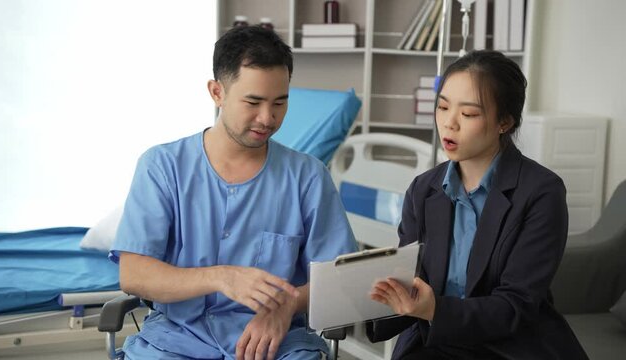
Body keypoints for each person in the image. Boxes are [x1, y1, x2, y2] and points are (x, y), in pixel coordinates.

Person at [109, 25, 357, 360]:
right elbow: (134, 274)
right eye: (253, 102)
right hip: (176, 341)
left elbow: (340, 275)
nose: (267, 118)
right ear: (217, 92)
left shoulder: (308, 177)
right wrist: (222, 278)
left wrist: (287, 307)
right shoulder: (162, 167)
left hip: (277, 345)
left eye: (280, 103)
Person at [367, 50, 588, 359]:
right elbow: (410, 278)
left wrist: (435, 308)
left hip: (510, 346)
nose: (449, 124)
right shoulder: (423, 190)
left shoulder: (541, 193)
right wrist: (364, 298)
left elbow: (516, 306)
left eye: (468, 114)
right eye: (442, 107)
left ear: (505, 122)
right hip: (435, 340)